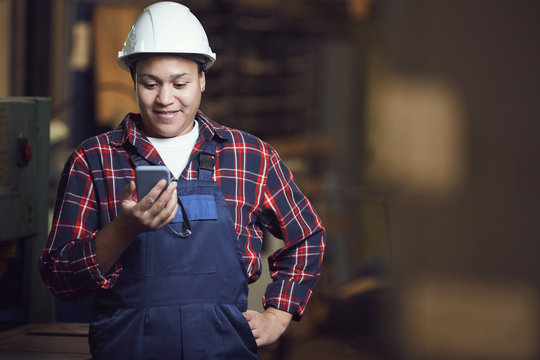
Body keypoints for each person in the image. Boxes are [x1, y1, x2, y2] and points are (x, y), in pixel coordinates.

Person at [39, 2, 325, 359]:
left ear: (202, 79)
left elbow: (307, 237)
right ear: (133, 81)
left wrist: (277, 316)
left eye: (180, 83)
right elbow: (57, 277)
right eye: (150, 83)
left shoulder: (250, 156)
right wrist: (122, 230)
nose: (165, 99)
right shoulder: (94, 160)